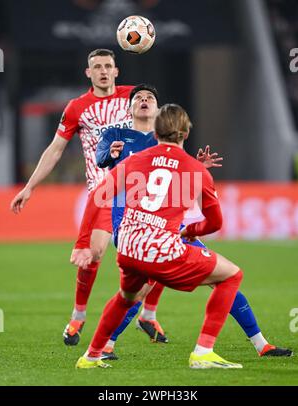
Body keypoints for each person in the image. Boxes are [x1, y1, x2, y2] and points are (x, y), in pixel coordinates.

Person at [92, 84, 293, 360]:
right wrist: (111, 155)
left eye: (150, 97)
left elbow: (171, 180)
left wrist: (193, 169)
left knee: (142, 290)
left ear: (158, 115)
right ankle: (134, 335)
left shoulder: (157, 143)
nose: (144, 100)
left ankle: (260, 344)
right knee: (219, 277)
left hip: (158, 229)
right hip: (134, 224)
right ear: (129, 108)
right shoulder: (117, 136)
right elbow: (102, 164)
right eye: (138, 97)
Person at [71, 103, 245, 369]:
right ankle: (203, 353)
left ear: (155, 133)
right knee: (232, 275)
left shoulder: (134, 160)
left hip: (128, 248)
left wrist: (83, 243)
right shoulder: (197, 170)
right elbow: (215, 222)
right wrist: (189, 231)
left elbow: (98, 196)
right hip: (162, 250)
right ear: (186, 134)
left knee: (125, 298)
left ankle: (91, 356)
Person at [10, 48, 134, 347]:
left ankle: (144, 317)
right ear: (88, 73)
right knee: (94, 254)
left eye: (108, 66)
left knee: (142, 264)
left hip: (138, 192)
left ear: (116, 71)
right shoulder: (78, 108)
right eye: (97, 67)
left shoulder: (135, 97)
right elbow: (55, 149)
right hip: (103, 192)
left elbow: (161, 129)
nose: (103, 71)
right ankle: (79, 315)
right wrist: (30, 186)